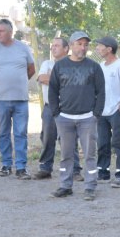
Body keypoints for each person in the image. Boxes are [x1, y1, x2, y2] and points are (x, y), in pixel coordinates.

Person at [48, 31, 105, 201]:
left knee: (89, 155)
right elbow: (52, 90)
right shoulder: (60, 66)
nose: (83, 47)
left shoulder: (94, 67)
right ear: (71, 45)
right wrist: (56, 113)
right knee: (66, 155)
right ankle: (65, 186)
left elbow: (101, 92)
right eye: (79, 44)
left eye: (86, 44)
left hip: (87, 118)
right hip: (64, 118)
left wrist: (96, 114)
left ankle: (90, 187)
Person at [0, 18, 35, 179]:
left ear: (10, 32)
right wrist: (0, 82)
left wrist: (18, 82)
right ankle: (6, 165)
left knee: (20, 133)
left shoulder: (23, 48)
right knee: (3, 133)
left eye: (2, 31)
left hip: (21, 99)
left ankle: (21, 167)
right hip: (1, 99)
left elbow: (31, 69)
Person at [32, 37, 83, 181]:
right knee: (47, 138)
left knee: (70, 140)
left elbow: (74, 83)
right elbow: (42, 78)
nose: (53, 48)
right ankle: (45, 168)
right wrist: (62, 80)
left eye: (57, 45)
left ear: (66, 48)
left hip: (68, 108)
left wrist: (52, 76)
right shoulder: (47, 63)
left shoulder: (73, 64)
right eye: (52, 45)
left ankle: (75, 170)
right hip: (50, 108)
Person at [95, 35, 120, 188]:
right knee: (102, 144)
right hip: (102, 113)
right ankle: (103, 174)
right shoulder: (100, 66)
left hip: (116, 113)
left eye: (100, 46)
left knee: (119, 144)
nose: (97, 48)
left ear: (109, 49)